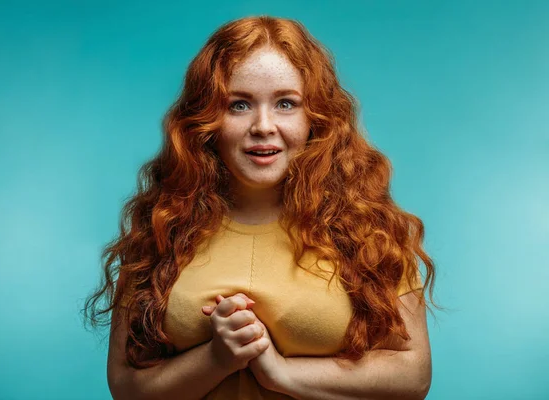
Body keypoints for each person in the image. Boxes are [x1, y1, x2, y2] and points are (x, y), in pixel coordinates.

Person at [83, 15, 440, 400]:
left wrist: (282, 372)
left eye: (286, 103)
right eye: (239, 105)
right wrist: (216, 358)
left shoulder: (370, 228)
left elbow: (412, 375)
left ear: (315, 118)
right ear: (206, 120)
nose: (263, 126)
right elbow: (125, 386)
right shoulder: (161, 227)